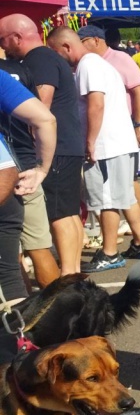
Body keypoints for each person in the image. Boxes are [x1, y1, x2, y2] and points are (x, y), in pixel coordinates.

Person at [46, 27, 140, 272]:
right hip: (115, 142)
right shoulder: (97, 63)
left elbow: (96, 103)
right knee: (118, 196)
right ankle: (134, 245)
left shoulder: (88, 65)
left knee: (106, 200)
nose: (55, 58)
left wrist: (90, 141)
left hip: (106, 144)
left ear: (66, 47)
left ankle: (110, 252)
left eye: (55, 52)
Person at [0, 14, 86, 277]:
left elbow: (42, 106)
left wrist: (41, 161)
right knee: (68, 213)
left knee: (59, 216)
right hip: (64, 144)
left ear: (16, 37)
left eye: (3, 39)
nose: (3, 46)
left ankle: (68, 278)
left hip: (50, 148)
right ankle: (72, 275)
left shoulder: (37, 60)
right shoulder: (46, 59)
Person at [89, 27, 140, 238]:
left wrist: (138, 124)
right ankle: (131, 229)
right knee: (116, 181)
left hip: (122, 125)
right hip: (104, 129)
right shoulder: (88, 63)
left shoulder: (120, 59)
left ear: (97, 40)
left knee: (128, 178)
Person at [0, 56, 59, 287]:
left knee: (12, 259)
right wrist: (42, 168)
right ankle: (50, 317)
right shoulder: (12, 72)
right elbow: (45, 119)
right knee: (35, 249)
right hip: (20, 168)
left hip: (14, 170)